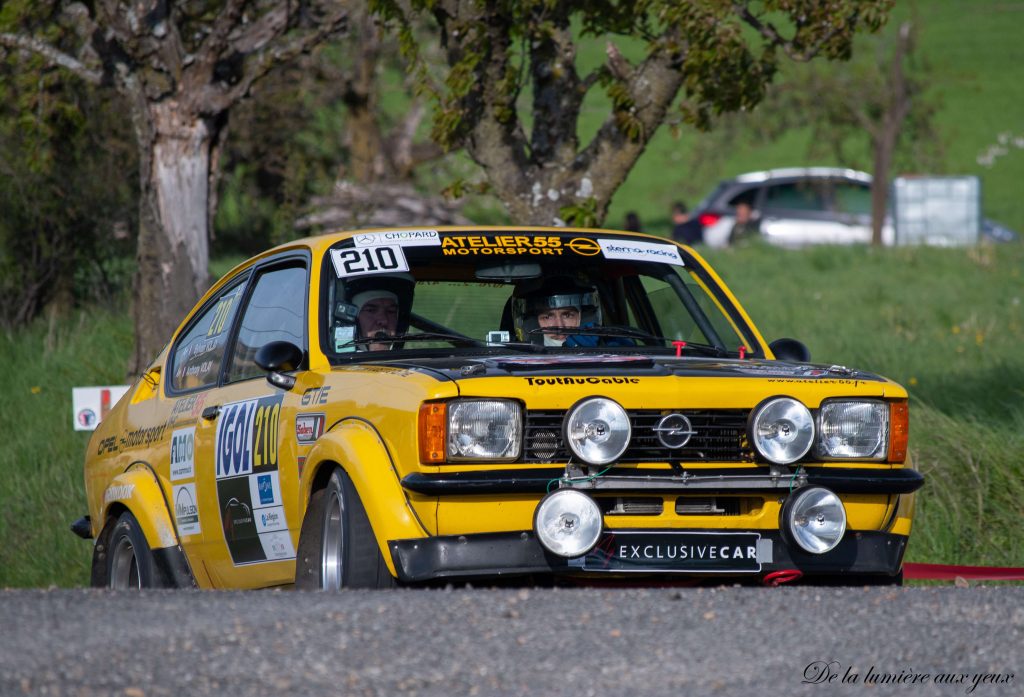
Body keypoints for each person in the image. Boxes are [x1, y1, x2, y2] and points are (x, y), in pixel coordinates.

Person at [337, 272, 415, 351]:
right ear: (354, 319)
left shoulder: (411, 359)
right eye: (371, 310)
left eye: (391, 311)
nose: (384, 320)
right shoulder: (332, 361)